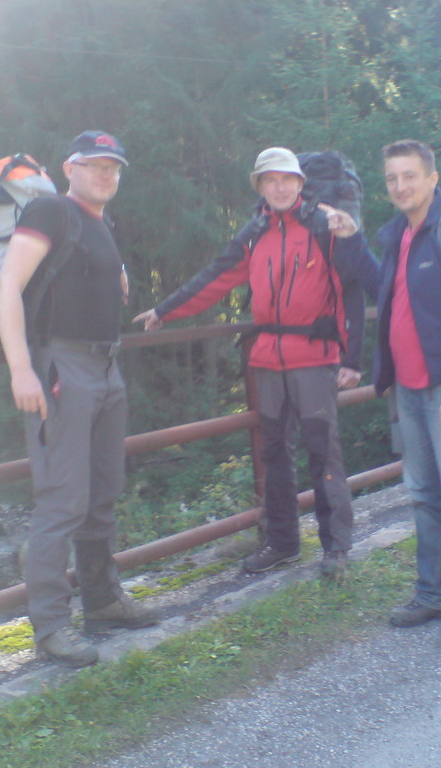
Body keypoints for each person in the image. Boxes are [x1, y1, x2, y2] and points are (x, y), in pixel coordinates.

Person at [133, 147, 368, 580]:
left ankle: (336, 548)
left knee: (324, 453)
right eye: (269, 180)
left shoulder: (324, 226)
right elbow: (215, 277)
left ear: (300, 184)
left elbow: (352, 290)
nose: (278, 187)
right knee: (274, 454)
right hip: (268, 360)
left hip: (315, 358)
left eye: (286, 179)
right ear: (259, 186)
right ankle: (282, 543)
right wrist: (165, 310)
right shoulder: (255, 232)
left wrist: (352, 357)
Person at [0, 130, 158, 669]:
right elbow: (7, 288)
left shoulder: (99, 222)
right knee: (62, 500)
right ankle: (50, 627)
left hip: (107, 368)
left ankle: (104, 601)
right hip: (63, 368)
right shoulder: (48, 211)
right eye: (95, 165)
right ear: (70, 167)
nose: (106, 174)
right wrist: (22, 369)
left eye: (113, 167)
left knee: (103, 492)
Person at [343, 139, 441, 652]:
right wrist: (352, 241)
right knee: (425, 499)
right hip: (409, 391)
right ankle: (434, 595)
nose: (400, 186)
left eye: (409, 176)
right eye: (392, 178)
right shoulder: (398, 236)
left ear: (432, 178)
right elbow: (385, 293)